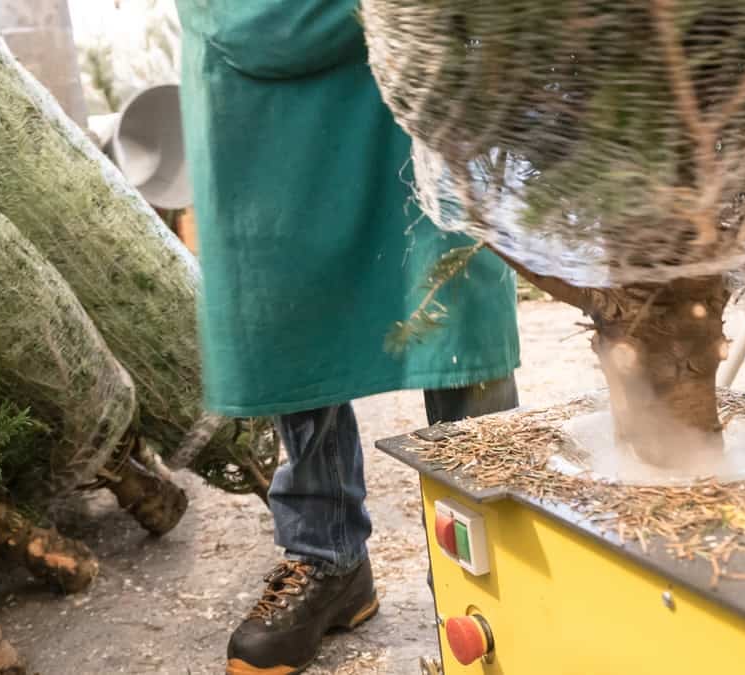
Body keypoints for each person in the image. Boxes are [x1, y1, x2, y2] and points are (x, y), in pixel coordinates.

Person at [174, 2, 521, 673]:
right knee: (289, 305)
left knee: (452, 304)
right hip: (260, 80)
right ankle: (327, 556)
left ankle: (489, 577)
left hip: (421, 58)